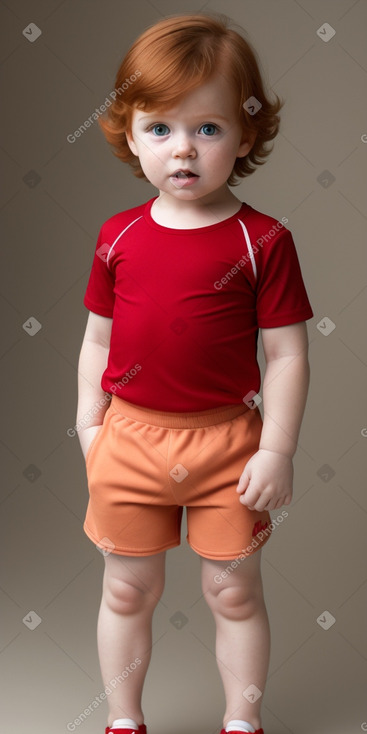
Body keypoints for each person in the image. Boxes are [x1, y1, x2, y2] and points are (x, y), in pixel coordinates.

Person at [76, 13, 313, 734]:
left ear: (244, 137)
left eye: (207, 129)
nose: (182, 148)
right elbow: (96, 339)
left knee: (232, 592)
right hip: (131, 438)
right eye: (160, 128)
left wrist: (275, 448)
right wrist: (88, 423)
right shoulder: (117, 235)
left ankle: (241, 723)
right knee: (127, 589)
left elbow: (288, 355)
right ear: (130, 133)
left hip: (227, 447)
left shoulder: (262, 239)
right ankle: (123, 719)